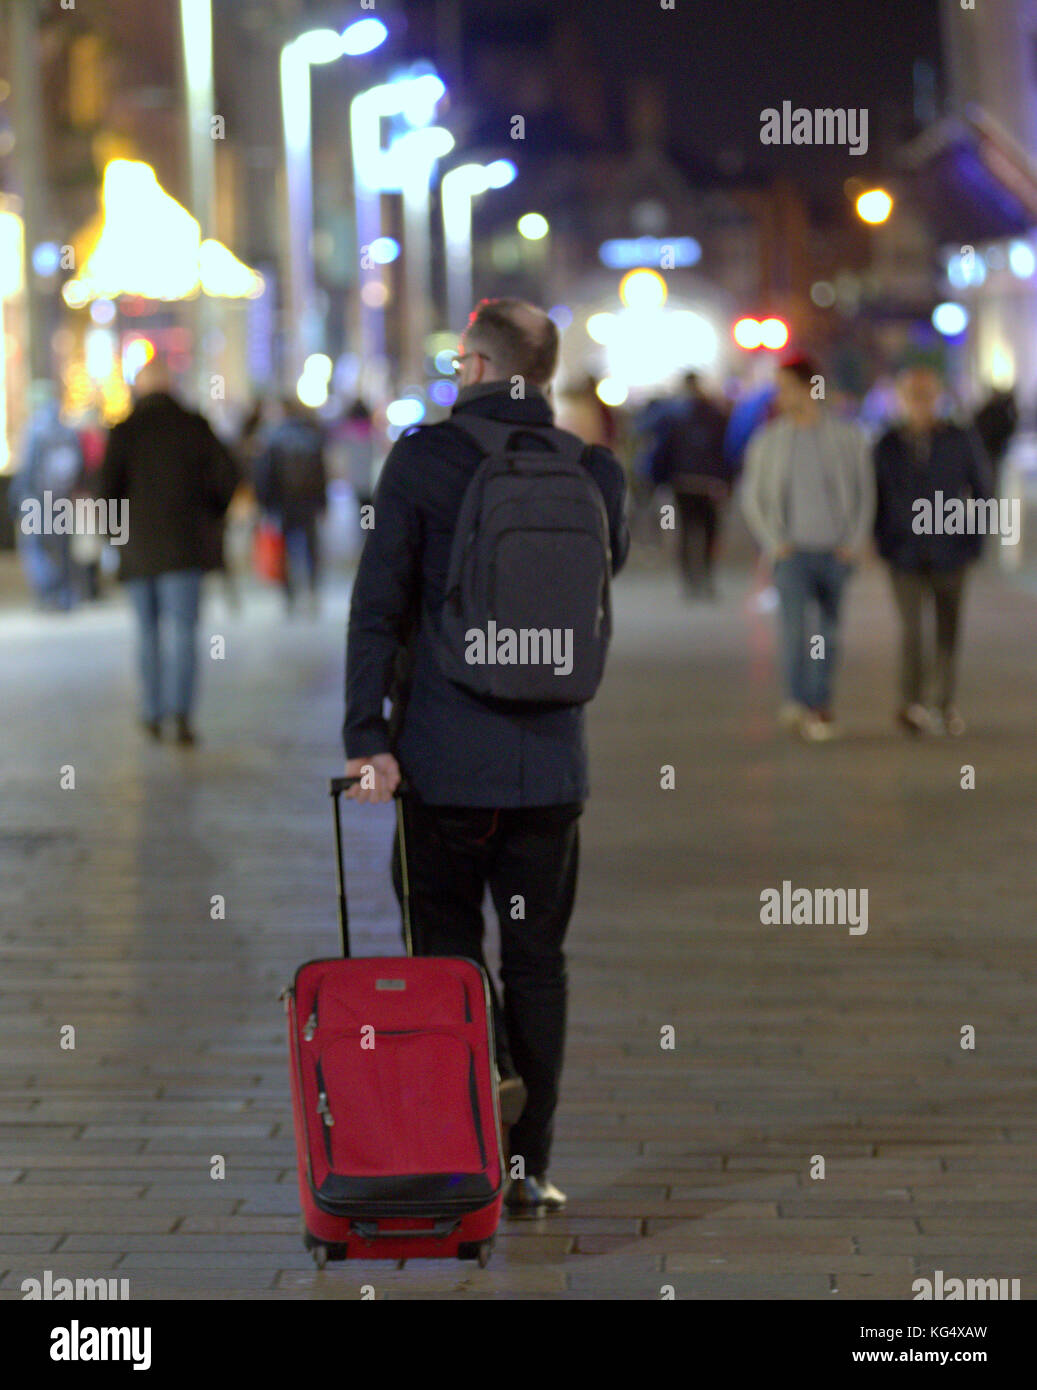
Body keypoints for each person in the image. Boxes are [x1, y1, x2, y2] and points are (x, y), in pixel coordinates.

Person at [342, 298, 629, 1217]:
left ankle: (478, 1105)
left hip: (440, 760)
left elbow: (377, 605)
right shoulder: (596, 470)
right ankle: (527, 1165)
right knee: (539, 960)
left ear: (471, 366)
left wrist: (366, 739)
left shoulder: (423, 460)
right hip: (550, 766)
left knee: (445, 949)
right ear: (541, 377)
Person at [96, 358, 239, 745]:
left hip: (139, 549)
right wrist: (211, 515)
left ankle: (152, 711)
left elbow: (106, 489)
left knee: (147, 632)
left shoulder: (124, 431)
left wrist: (114, 536)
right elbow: (228, 476)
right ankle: (182, 713)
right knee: (184, 631)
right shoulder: (195, 426)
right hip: (184, 547)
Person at [740, 355, 875, 740]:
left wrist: (853, 541)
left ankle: (821, 704)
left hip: (835, 552)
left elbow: (864, 491)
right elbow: (753, 497)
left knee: (827, 634)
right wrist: (774, 542)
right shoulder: (770, 440)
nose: (780, 396)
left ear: (807, 388)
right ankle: (797, 701)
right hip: (791, 554)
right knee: (794, 631)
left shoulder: (846, 437)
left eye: (785, 387)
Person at [873, 366, 993, 736]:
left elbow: (983, 490)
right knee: (911, 631)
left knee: (947, 630)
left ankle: (944, 703)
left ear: (938, 398)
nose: (920, 403)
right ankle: (911, 704)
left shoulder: (959, 439)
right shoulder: (888, 444)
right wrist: (882, 541)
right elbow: (875, 496)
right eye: (913, 395)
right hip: (904, 553)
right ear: (901, 399)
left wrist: (974, 542)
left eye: (927, 395)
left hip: (950, 551)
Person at [648, 372, 732, 597]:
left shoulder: (673, 415)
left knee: (686, 532)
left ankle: (689, 582)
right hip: (709, 484)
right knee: (709, 531)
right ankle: (706, 577)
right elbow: (726, 450)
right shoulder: (715, 414)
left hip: (682, 482)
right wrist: (726, 480)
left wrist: (658, 479)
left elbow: (662, 450)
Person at [9, 384, 86, 611]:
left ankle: (49, 592)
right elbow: (79, 466)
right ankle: (63, 593)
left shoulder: (35, 430)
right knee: (60, 548)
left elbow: (28, 468)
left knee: (34, 547)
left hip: (36, 499)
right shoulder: (67, 431)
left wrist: (17, 498)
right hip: (60, 499)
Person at [254, 398, 328, 613]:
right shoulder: (311, 438)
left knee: (283, 548)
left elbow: (264, 476)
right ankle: (312, 589)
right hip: (308, 503)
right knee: (311, 548)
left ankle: (289, 595)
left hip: (283, 503)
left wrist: (265, 504)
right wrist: (322, 503)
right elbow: (321, 474)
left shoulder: (272, 439)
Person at [972, 387, 1017, 496]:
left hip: (991, 449)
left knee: (991, 475)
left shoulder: (993, 410)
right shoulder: (992, 411)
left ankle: (991, 496)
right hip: (990, 449)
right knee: (989, 475)